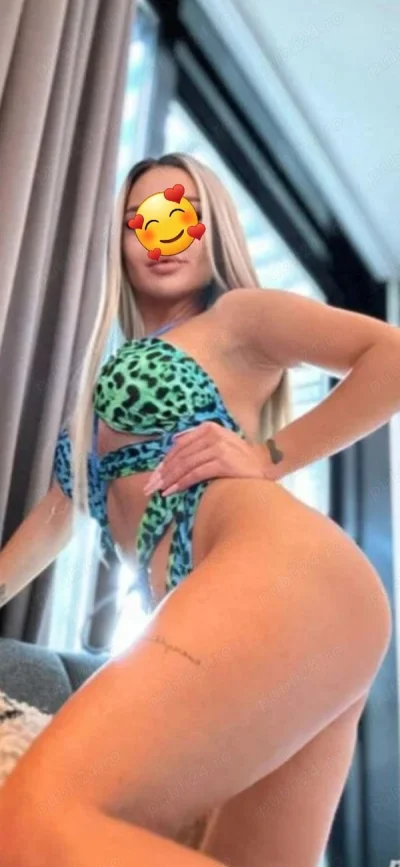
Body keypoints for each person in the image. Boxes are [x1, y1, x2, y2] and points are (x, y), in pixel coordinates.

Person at [0, 152, 397, 867]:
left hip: (284, 576)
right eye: (140, 221)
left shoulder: (235, 317)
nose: (161, 236)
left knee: (31, 821)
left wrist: (268, 457)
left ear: (212, 227)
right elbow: (60, 516)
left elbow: (389, 355)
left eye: (179, 214)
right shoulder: (116, 369)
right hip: (300, 613)